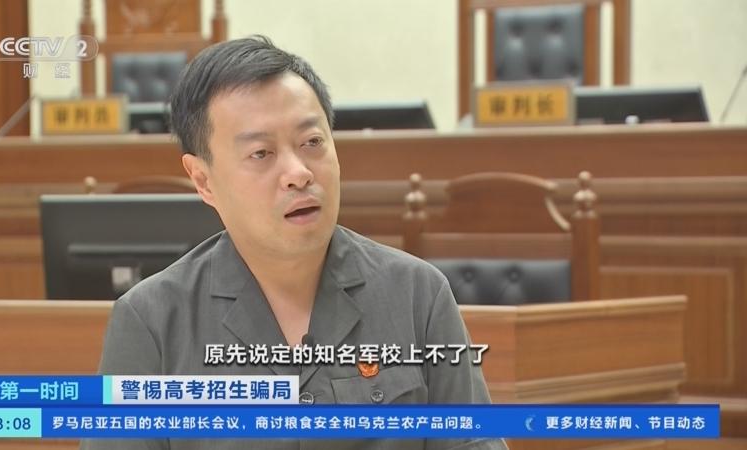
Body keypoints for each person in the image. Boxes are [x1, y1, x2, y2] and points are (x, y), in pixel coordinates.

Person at [81, 36, 507, 450]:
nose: (299, 173)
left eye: (312, 142)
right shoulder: (152, 322)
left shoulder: (417, 295)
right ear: (203, 180)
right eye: (261, 153)